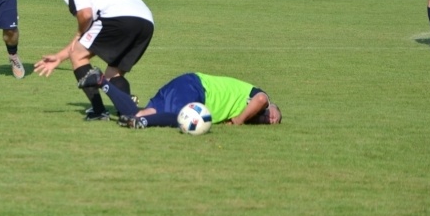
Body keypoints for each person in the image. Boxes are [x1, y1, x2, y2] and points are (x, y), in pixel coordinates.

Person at [34, 0, 154, 121]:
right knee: (114, 73)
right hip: (145, 20)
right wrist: (60, 57)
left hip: (118, 17)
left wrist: (79, 34)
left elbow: (86, 15)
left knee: (78, 56)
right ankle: (128, 113)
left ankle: (99, 111)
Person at [78, 68, 282, 129]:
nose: (271, 119)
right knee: (181, 117)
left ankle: (101, 81)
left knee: (134, 112)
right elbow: (262, 99)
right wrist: (238, 122)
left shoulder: (243, 110)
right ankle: (143, 122)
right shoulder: (256, 96)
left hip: (186, 85)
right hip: (196, 87)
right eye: (274, 116)